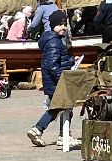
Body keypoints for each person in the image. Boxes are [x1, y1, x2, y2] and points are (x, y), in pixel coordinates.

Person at [26, 10, 76, 149]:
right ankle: (57, 134)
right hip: (56, 82)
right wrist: (62, 79)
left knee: (59, 107)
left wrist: (71, 61)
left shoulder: (55, 40)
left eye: (65, 24)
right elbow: (53, 65)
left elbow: (58, 61)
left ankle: (42, 131)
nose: (63, 27)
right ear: (53, 25)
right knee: (63, 106)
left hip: (53, 81)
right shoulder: (54, 41)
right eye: (60, 24)